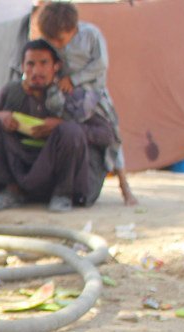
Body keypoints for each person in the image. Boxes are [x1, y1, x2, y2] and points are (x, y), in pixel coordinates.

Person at [0, 39, 115, 212]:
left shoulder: (71, 95)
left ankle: (63, 195)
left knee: (70, 131)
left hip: (59, 168)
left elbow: (106, 134)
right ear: (23, 66)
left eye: (43, 63)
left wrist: (60, 126)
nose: (36, 71)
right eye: (30, 64)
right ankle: (9, 191)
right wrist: (0, 116)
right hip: (22, 163)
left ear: (56, 66)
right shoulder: (12, 91)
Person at [37, 1, 138, 205]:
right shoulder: (50, 42)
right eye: (52, 40)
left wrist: (74, 80)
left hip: (94, 96)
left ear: (73, 28)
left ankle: (125, 188)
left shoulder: (91, 35)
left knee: (113, 137)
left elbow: (100, 65)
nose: (57, 44)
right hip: (64, 99)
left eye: (60, 39)